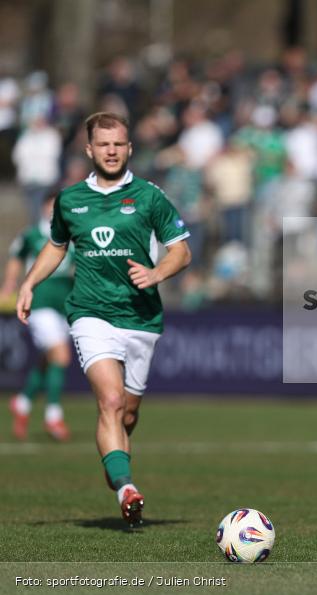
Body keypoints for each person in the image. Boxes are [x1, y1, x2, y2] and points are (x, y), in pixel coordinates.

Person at [16, 112, 191, 526]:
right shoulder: (70, 199)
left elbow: (181, 251)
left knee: (128, 413)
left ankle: (117, 466)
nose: (111, 151)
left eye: (119, 144)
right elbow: (57, 247)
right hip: (90, 313)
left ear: (129, 148)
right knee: (109, 402)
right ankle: (126, 488)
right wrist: (29, 283)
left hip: (142, 318)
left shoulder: (150, 196)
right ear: (89, 149)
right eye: (104, 144)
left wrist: (157, 273)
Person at [3, 192, 74, 441]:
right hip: (40, 302)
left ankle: (22, 403)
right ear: (44, 207)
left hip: (65, 304)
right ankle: (53, 416)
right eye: (52, 205)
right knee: (61, 355)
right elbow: (16, 257)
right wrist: (10, 285)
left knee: (49, 359)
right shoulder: (32, 234)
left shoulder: (73, 234)